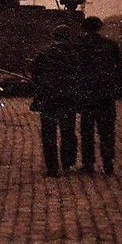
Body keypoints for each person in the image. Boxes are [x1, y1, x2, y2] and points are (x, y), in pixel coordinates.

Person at [31, 24, 81, 177]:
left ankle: (52, 167)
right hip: (68, 98)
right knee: (68, 131)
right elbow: (79, 75)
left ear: (54, 37)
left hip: (48, 98)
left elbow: (35, 74)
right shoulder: (74, 54)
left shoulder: (44, 53)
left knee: (48, 133)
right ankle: (68, 163)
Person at [77, 16, 122, 174]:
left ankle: (88, 164)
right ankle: (108, 163)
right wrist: (114, 89)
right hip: (106, 96)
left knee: (87, 132)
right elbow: (120, 72)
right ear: (99, 28)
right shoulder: (111, 45)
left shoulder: (80, 45)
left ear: (84, 28)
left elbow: (75, 71)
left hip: (87, 96)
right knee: (107, 131)